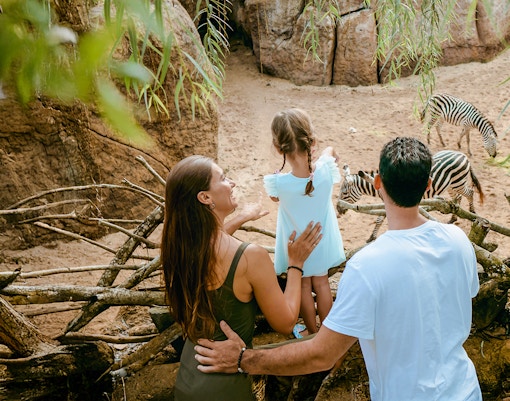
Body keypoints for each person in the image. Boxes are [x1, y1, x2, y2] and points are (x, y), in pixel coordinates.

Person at [194, 137, 482, 401]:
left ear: (378, 182)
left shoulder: (368, 265)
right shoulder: (458, 241)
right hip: (466, 390)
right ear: (429, 185)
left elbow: (323, 354)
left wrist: (244, 359)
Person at [160, 155, 322, 401]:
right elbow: (287, 322)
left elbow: (213, 240)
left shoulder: (179, 249)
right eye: (223, 178)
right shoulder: (250, 257)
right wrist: (296, 264)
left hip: (189, 379)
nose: (232, 183)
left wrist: (243, 217)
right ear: (205, 198)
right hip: (226, 387)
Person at [264, 108, 346, 337]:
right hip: (321, 241)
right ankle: (329, 334)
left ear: (279, 148)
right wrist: (329, 151)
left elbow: (274, 197)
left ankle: (312, 332)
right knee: (322, 285)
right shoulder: (326, 171)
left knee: (303, 286)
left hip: (297, 247)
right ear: (312, 142)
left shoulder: (277, 184)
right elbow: (330, 153)